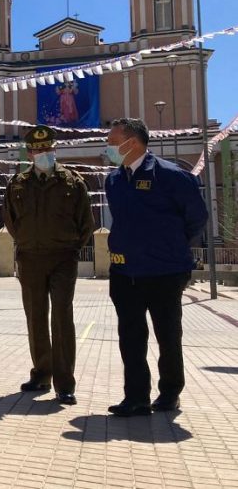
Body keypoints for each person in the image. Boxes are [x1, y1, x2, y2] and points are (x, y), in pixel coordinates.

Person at [104, 118, 207, 416]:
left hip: (164, 272)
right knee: (131, 337)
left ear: (132, 143)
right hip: (125, 273)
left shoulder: (172, 176)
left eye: (112, 142)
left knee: (168, 335)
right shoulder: (114, 180)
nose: (108, 148)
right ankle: (135, 397)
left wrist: (170, 247)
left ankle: (170, 393)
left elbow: (197, 219)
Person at [3, 125, 94, 405]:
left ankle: (64, 383)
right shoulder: (17, 183)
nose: (43, 153)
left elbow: (86, 223)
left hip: (63, 258)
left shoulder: (73, 182)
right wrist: (28, 243)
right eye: (38, 150)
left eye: (47, 149)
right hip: (30, 258)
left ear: (55, 149)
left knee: (62, 318)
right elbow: (10, 221)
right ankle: (41, 374)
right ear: (30, 153)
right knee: (36, 317)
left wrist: (71, 248)